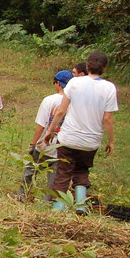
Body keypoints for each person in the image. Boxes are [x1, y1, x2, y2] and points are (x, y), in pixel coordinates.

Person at [41, 50, 119, 214]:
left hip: (68, 138)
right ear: (105, 67)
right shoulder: (109, 88)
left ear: (87, 65)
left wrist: (50, 131)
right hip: (90, 142)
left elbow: (61, 111)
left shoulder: (75, 83)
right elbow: (107, 119)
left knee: (63, 172)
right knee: (82, 170)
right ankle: (81, 205)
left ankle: (58, 208)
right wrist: (111, 141)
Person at [14, 71, 72, 202]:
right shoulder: (73, 102)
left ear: (58, 83)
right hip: (63, 145)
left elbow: (41, 126)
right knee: (55, 177)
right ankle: (49, 201)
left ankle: (24, 196)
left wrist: (33, 144)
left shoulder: (50, 100)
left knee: (30, 170)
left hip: (45, 144)